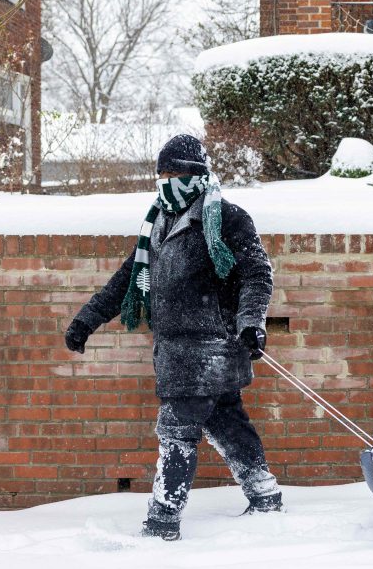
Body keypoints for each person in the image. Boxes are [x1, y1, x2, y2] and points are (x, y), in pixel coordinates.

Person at [64, 134, 282, 541]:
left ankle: (162, 521)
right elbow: (128, 280)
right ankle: (265, 497)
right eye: (162, 174)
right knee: (228, 426)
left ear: (197, 176)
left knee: (176, 433)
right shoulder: (158, 223)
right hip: (177, 353)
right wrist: (87, 320)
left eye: (176, 173)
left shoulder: (228, 219)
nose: (166, 181)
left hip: (210, 350)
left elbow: (257, 274)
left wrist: (252, 322)